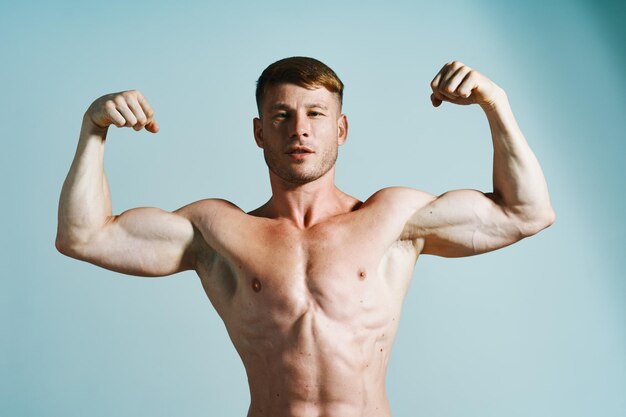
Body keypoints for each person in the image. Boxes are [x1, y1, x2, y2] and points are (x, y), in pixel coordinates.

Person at [56, 56, 554, 417]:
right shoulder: (218, 232)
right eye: (282, 115)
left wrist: (496, 103)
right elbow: (84, 236)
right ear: (258, 132)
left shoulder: (392, 218)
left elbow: (526, 212)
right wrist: (93, 128)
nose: (300, 129)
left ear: (340, 130)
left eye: (316, 114)